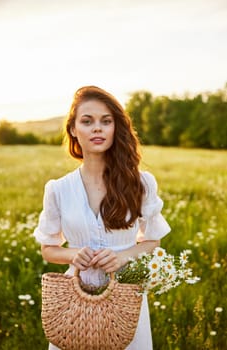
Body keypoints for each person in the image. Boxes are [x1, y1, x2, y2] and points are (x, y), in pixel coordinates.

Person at [33, 86, 171, 350]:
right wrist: (72, 254)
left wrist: (122, 256)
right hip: (75, 299)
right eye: (87, 121)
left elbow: (153, 240)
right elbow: (48, 249)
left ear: (114, 128)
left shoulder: (141, 183)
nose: (97, 128)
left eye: (106, 121)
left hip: (126, 297)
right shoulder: (58, 189)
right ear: (73, 129)